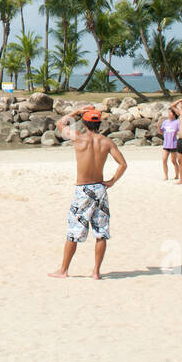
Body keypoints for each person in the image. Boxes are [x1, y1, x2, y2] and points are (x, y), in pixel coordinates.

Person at [49, 107, 127, 280]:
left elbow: (59, 123)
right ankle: (96, 272)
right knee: (101, 232)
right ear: (99, 123)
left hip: (83, 190)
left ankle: (63, 270)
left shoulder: (78, 138)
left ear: (84, 123)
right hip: (100, 189)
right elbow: (123, 164)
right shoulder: (106, 142)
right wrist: (112, 181)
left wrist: (77, 111)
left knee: (74, 231)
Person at [159, 107, 180, 180]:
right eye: (168, 113)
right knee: (164, 160)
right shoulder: (165, 122)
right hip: (166, 144)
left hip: (173, 144)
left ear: (174, 114)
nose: (168, 114)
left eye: (170, 113)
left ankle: (177, 175)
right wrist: (158, 126)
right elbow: (161, 132)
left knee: (173, 161)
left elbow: (181, 131)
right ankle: (166, 176)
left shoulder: (177, 122)